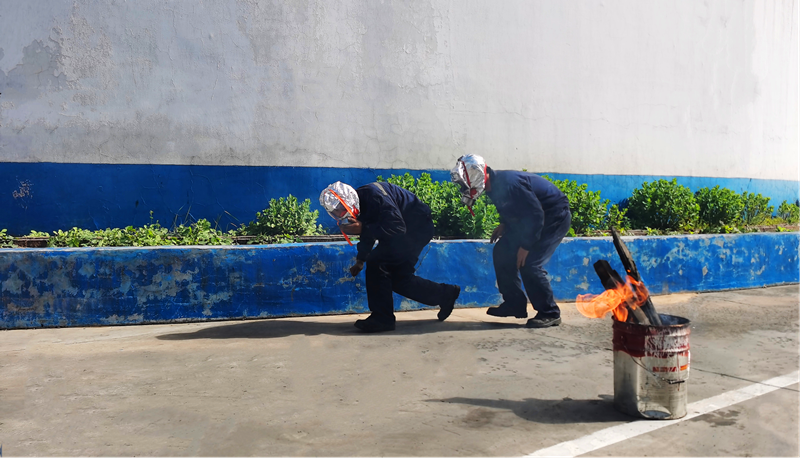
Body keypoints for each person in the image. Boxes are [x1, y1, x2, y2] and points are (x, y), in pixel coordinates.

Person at [319, 181, 461, 333]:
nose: (341, 214)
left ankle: (382, 319)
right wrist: (361, 260)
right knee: (399, 279)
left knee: (377, 262)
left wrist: (363, 228)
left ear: (349, 200)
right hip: (405, 230)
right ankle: (445, 294)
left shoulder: (375, 197)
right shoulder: (360, 203)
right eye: (337, 212)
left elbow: (397, 228)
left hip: (415, 229)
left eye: (341, 209)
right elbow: (370, 229)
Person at [450, 155, 571, 328]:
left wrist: (526, 246)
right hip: (531, 219)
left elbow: (536, 214)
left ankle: (549, 313)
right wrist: (505, 224)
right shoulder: (493, 186)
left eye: (464, 183)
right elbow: (514, 207)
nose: (463, 187)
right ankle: (514, 304)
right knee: (502, 252)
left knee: (530, 263)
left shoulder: (510, 183)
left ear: (475, 175)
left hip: (553, 216)